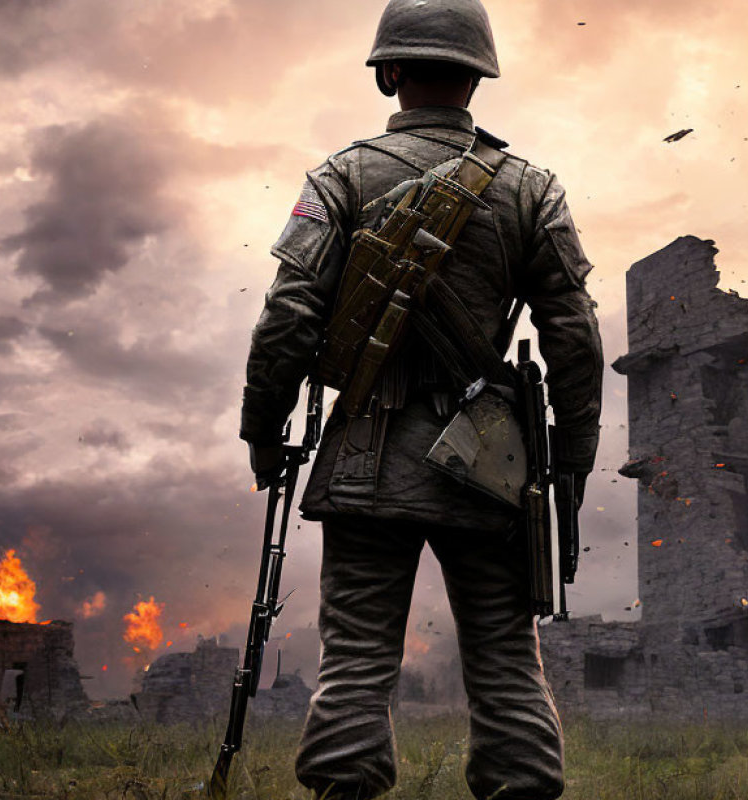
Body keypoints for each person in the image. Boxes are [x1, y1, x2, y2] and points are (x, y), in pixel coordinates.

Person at [238, 1, 603, 797]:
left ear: (389, 71)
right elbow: (574, 335)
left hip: (369, 458)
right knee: (507, 660)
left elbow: (288, 315)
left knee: (358, 661)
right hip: (492, 464)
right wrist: (570, 460)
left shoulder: (339, 177)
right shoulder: (530, 190)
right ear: (477, 77)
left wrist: (262, 431)